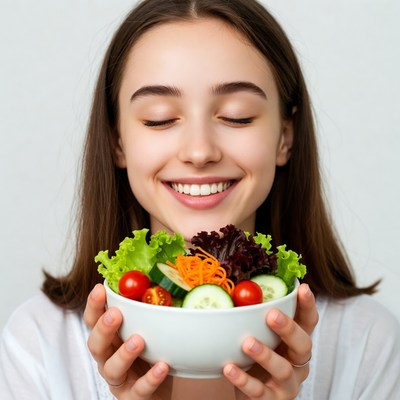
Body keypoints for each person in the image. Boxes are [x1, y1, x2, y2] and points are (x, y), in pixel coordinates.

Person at [1, 0, 399, 399]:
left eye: (238, 116)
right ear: (117, 141)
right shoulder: (39, 345)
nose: (199, 151)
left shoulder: (366, 344)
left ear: (285, 136)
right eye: (159, 118)